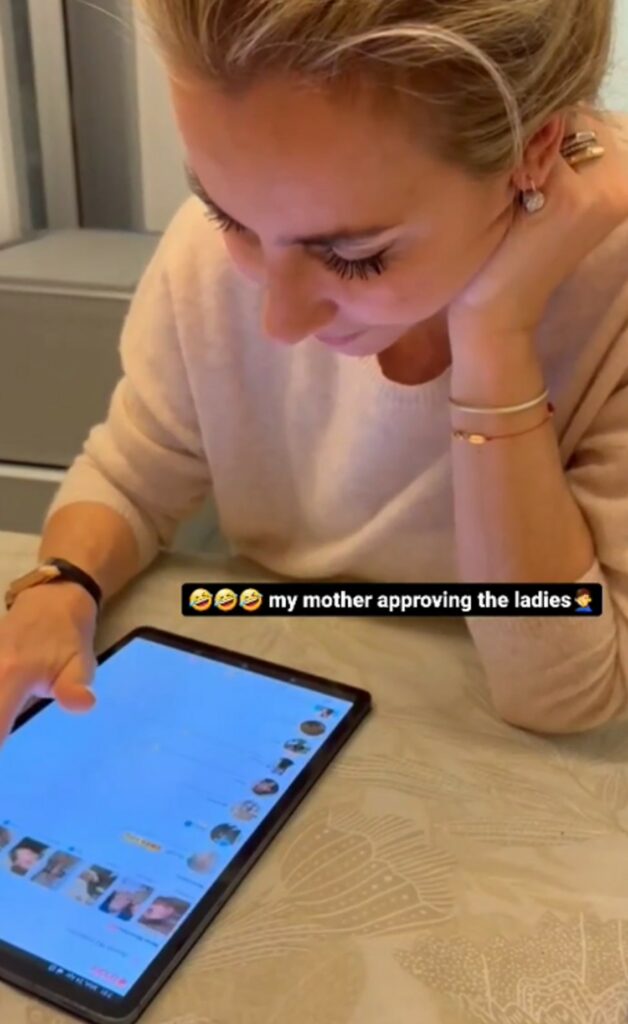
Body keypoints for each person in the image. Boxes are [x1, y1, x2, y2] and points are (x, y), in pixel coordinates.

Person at [0, 1, 627, 740]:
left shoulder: (612, 295)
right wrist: (59, 587)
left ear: (536, 149)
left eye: (354, 256)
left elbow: (565, 697)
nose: (280, 322)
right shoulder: (215, 253)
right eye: (227, 215)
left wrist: (496, 334)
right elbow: (134, 476)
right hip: (275, 702)